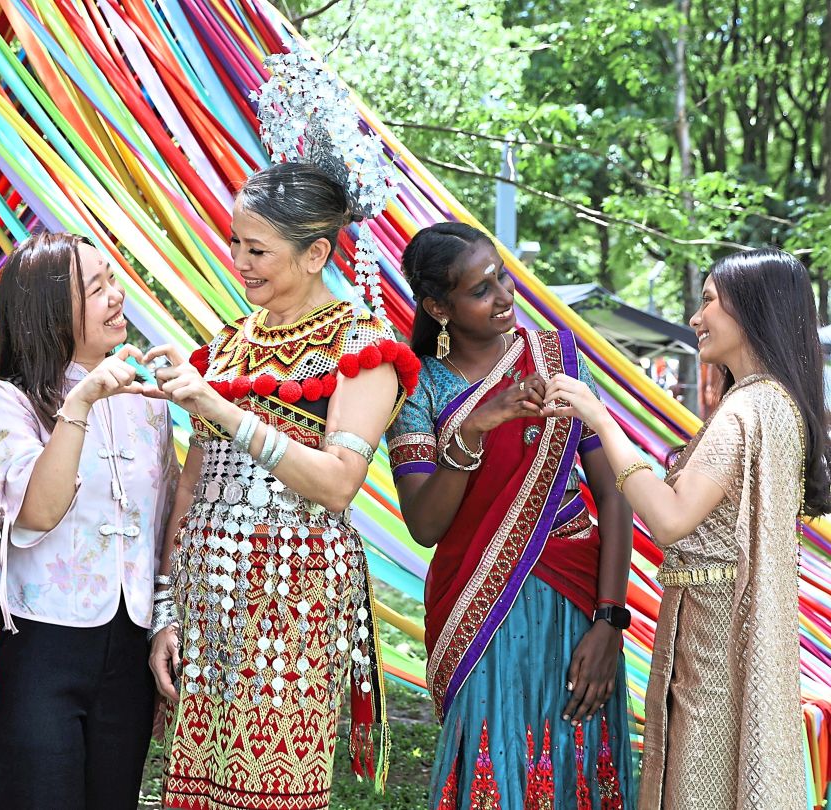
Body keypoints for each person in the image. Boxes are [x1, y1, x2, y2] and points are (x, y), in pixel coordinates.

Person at [147, 162, 418, 810]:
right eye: (235, 243)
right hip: (206, 593)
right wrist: (165, 610)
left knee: (272, 780)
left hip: (291, 597)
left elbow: (337, 484)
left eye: (257, 249)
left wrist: (229, 414)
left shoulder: (359, 343)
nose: (239, 261)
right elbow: (191, 485)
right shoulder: (227, 344)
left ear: (316, 252)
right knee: (198, 778)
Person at [544, 247, 828, 808]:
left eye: (708, 302)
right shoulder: (774, 403)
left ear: (752, 310)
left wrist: (599, 419)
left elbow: (671, 519)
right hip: (731, 641)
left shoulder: (748, 410)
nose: (696, 318)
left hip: (716, 654)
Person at [386, 222, 636, 807]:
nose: (504, 296)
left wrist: (610, 620)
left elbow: (616, 491)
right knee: (494, 764)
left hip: (578, 600)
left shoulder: (557, 358)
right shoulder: (417, 389)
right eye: (480, 290)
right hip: (479, 608)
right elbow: (426, 525)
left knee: (574, 756)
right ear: (437, 307)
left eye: (502, 276)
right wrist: (473, 430)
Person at [0, 231, 177, 809]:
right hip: (37, 641)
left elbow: (164, 519)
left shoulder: (148, 399)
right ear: (49, 308)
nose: (117, 297)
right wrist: (80, 403)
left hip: (128, 641)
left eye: (114, 281)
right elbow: (37, 511)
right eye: (97, 288)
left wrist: (164, 619)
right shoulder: (7, 400)